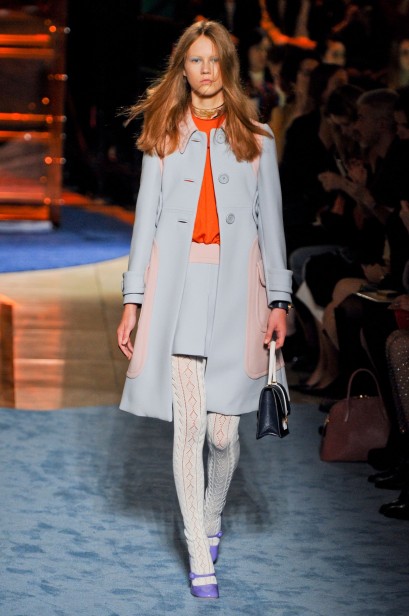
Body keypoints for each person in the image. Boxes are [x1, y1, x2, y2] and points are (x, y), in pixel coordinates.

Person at [116, 20, 292, 599]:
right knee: (189, 427)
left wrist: (280, 298)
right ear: (183, 69)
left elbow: (271, 225)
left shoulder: (257, 138)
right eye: (195, 60)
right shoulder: (163, 134)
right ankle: (199, 551)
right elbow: (145, 221)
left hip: (237, 293)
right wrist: (133, 299)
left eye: (214, 59)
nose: (206, 69)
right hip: (178, 291)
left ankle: (212, 514)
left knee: (221, 435)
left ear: (227, 68)